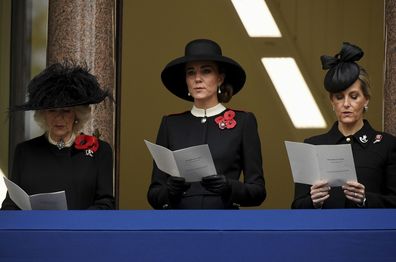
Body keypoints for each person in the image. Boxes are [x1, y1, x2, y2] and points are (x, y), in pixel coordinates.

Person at [147, 39, 266, 209]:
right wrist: (169, 190)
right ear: (186, 81)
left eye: (206, 71)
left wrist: (229, 187)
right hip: (179, 224)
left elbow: (258, 192)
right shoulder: (171, 124)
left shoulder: (243, 122)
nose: (197, 79)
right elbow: (153, 195)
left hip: (223, 223)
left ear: (220, 79)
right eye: (190, 72)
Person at [292, 42, 396, 209]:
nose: (346, 104)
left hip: (368, 233)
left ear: (366, 100)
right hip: (323, 233)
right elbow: (297, 206)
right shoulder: (312, 145)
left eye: (354, 96)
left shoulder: (387, 144)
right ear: (332, 102)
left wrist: (365, 200)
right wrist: (314, 201)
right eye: (339, 97)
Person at [1, 62, 115, 210]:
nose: (59, 118)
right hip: (35, 231)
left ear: (76, 114)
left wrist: (74, 222)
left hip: (81, 231)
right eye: (52, 111)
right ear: (43, 114)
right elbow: (11, 205)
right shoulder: (25, 152)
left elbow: (105, 204)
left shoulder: (100, 151)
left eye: (66, 111)